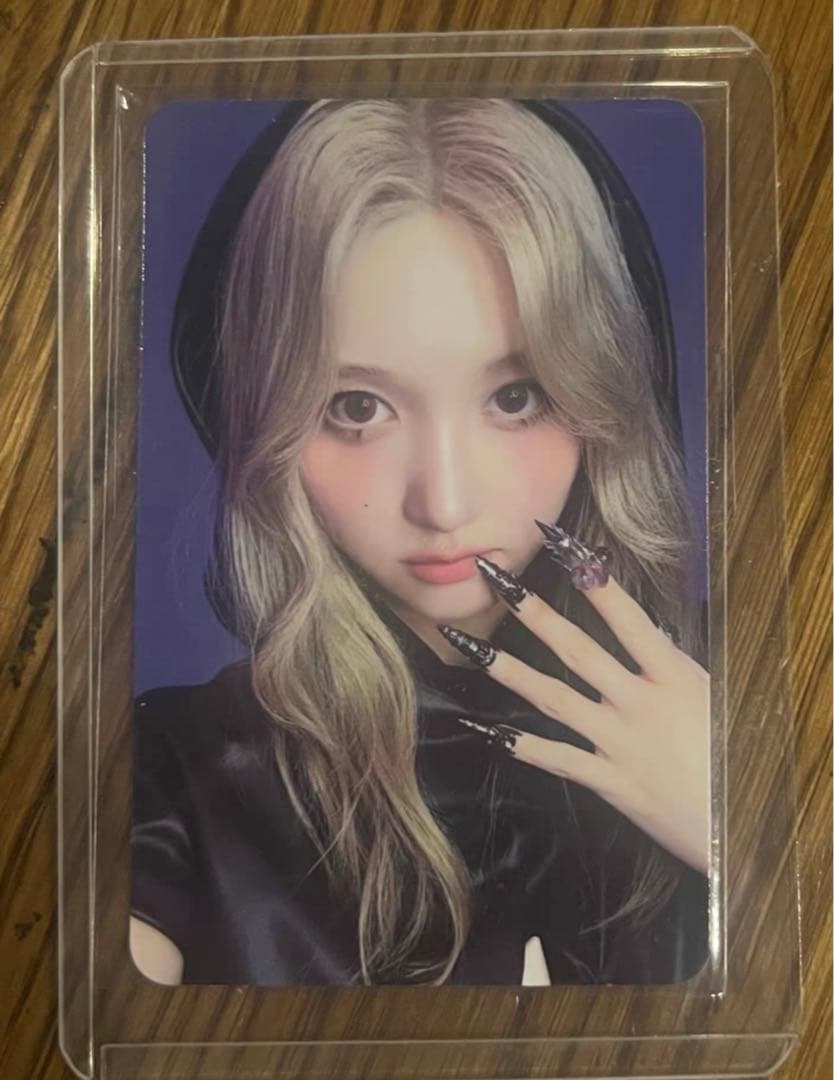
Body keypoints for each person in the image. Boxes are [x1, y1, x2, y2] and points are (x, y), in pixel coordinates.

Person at [129, 98, 711, 988]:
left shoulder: (768, 692)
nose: (443, 503)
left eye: (515, 397)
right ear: (267, 424)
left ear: (606, 395)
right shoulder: (174, 779)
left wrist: (750, 829)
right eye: (356, 408)